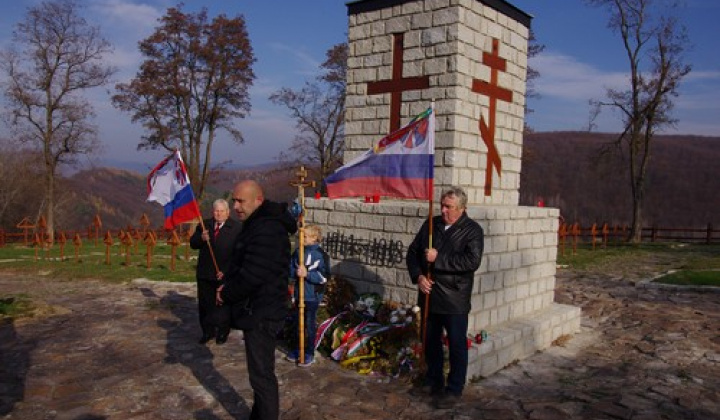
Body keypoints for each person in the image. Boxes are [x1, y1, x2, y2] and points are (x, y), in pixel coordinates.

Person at [217, 180, 297, 420]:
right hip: (257, 309)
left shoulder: (267, 229)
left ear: (258, 200)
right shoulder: (257, 224)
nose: (236, 206)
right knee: (259, 374)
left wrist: (226, 293)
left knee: (262, 376)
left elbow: (253, 274)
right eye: (234, 200)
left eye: (241, 201)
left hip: (263, 311)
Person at [406, 186, 484, 409]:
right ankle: (433, 380)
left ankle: (454, 388)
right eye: (441, 205)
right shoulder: (432, 224)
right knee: (430, 341)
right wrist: (419, 276)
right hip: (429, 294)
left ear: (461, 209)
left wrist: (438, 258)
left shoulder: (472, 230)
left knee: (457, 344)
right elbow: (412, 253)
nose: (443, 210)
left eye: (448, 207)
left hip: (454, 298)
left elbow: (471, 261)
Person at [189, 199, 241, 345]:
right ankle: (207, 331)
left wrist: (227, 271)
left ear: (227, 212)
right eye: (216, 211)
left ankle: (223, 331)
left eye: (221, 211)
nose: (218, 214)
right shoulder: (204, 225)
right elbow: (193, 244)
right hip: (205, 272)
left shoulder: (237, 228)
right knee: (205, 304)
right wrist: (201, 238)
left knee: (223, 305)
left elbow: (239, 253)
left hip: (225, 273)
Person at [286, 224, 330, 367]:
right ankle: (297, 348)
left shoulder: (321, 255)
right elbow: (290, 270)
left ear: (314, 238)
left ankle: (309, 351)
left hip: (312, 296)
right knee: (297, 324)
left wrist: (308, 274)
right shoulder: (298, 251)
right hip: (300, 295)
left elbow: (324, 277)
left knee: (309, 325)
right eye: (301, 236)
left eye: (305, 236)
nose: (302, 239)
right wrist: (295, 273)